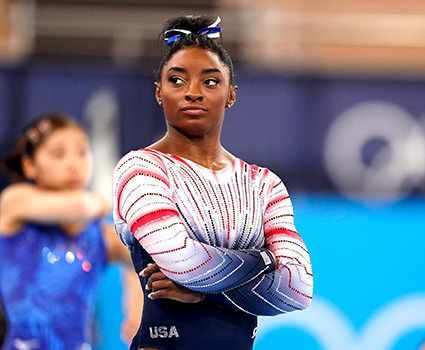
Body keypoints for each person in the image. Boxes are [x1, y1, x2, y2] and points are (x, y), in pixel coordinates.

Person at [112, 14, 314, 350]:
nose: (193, 92)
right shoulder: (140, 169)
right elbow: (182, 261)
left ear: (231, 93)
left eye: (209, 81)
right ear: (159, 92)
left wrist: (202, 290)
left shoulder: (265, 185)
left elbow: (298, 290)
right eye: (177, 81)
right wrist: (264, 260)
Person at [0, 113, 142, 350]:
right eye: (58, 154)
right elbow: (83, 206)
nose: (73, 163)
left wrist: (137, 305)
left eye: (82, 152)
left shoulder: (101, 236)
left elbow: (147, 258)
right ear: (29, 165)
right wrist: (106, 201)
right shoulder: (14, 204)